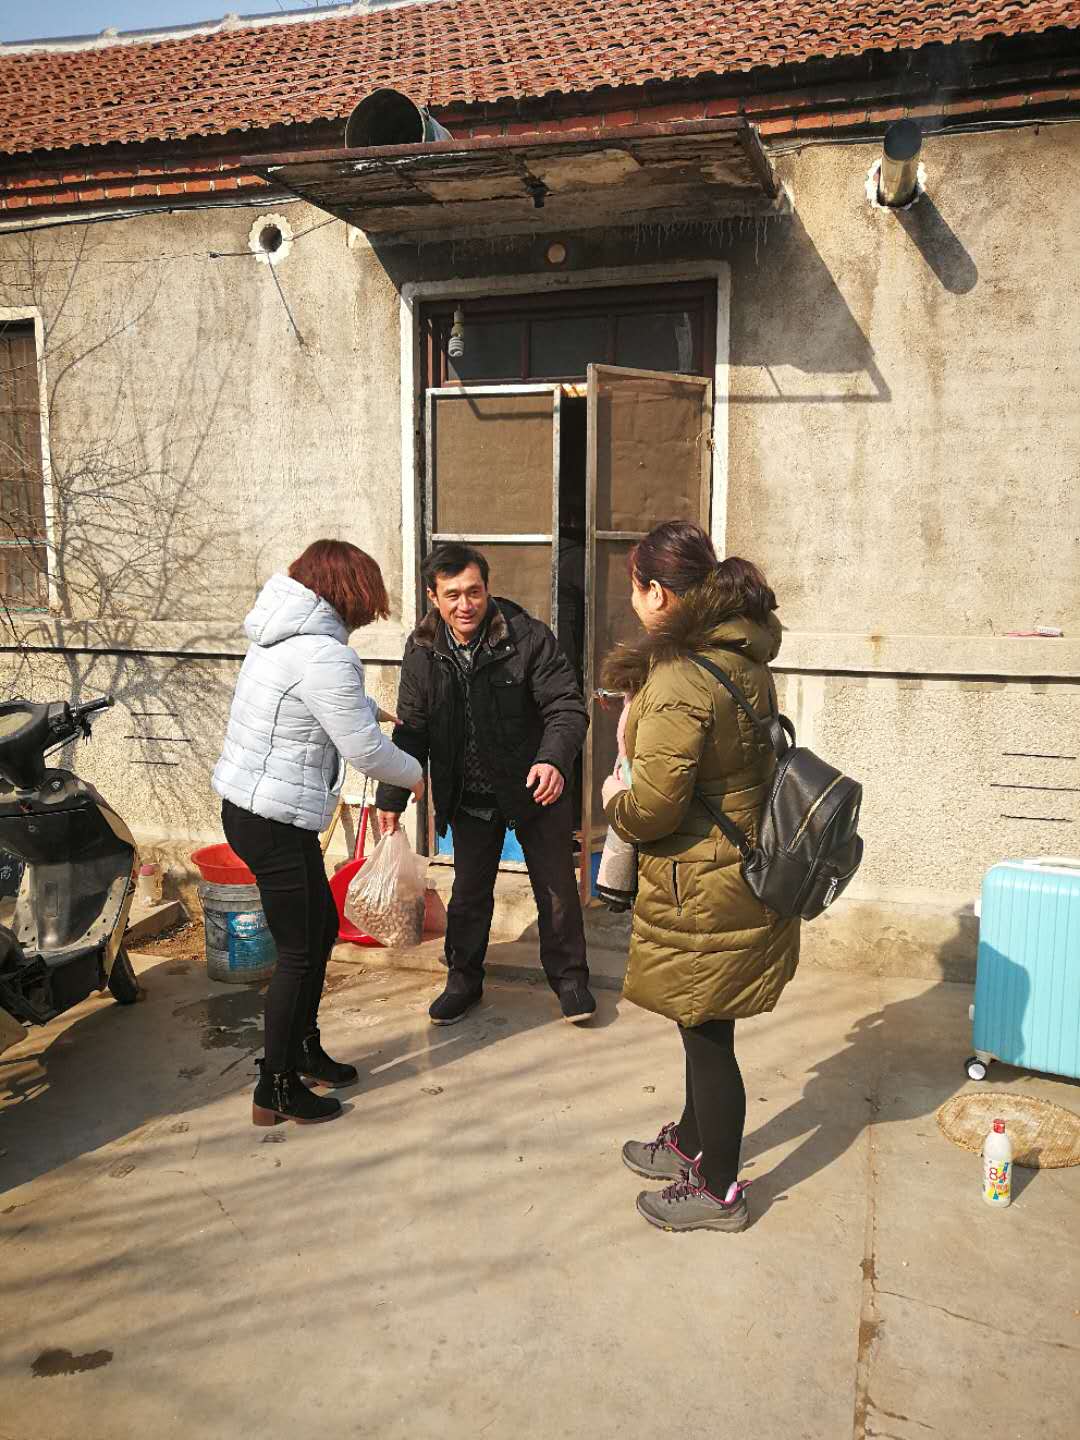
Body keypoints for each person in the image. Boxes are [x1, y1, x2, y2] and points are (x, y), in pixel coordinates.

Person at [600, 521, 800, 1233]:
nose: (633, 601)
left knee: (708, 1039)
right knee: (702, 1020)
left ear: (657, 592)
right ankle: (690, 1140)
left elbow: (654, 807)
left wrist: (614, 800)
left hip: (704, 883)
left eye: (635, 587)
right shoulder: (741, 654)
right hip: (735, 871)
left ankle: (719, 1191)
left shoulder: (681, 677)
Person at [214, 539, 424, 1127]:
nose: (368, 614)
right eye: (368, 599)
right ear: (348, 593)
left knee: (321, 928)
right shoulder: (324, 654)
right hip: (273, 820)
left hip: (258, 811)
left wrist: (371, 708)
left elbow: (313, 700)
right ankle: (275, 1087)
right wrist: (416, 775)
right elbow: (364, 751)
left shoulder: (281, 636)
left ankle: (304, 1050)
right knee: (300, 951)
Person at [375, 543, 594, 1026]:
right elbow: (412, 729)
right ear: (433, 597)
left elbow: (566, 708)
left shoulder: (528, 638)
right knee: (470, 893)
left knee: (556, 889)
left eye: (474, 592)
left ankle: (570, 980)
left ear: (488, 589)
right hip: (469, 795)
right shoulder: (423, 650)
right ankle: (463, 980)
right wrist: (391, 794)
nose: (465, 605)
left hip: (534, 788)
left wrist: (553, 760)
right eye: (452, 595)